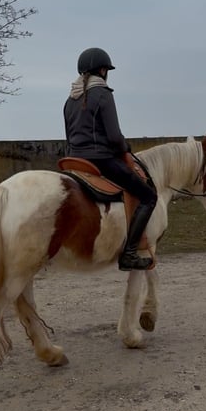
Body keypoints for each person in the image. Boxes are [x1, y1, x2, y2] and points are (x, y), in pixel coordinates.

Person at [63, 47, 157, 271]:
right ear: (103, 70)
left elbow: (69, 136)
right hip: (101, 160)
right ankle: (130, 254)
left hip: (74, 160)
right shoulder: (103, 94)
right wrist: (125, 147)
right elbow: (114, 137)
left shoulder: (70, 99)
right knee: (148, 196)